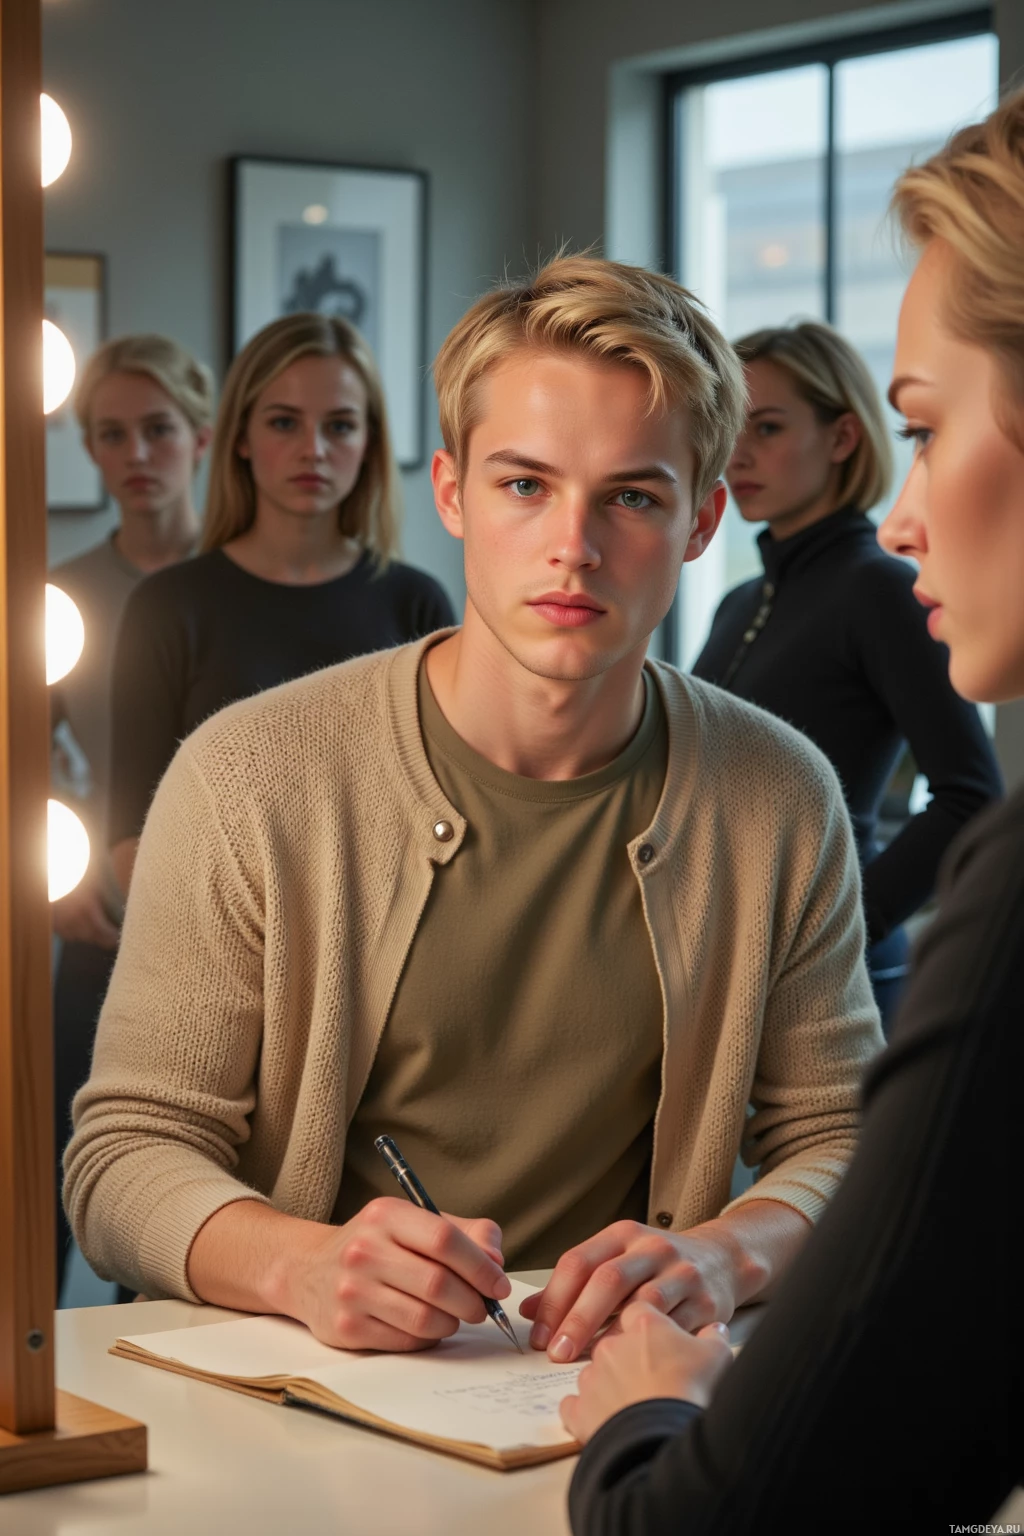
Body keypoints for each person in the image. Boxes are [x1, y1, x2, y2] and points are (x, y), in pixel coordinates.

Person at [65, 256, 882, 1355]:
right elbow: (122, 1155)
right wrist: (298, 1260)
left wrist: (725, 1252)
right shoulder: (246, 775)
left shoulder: (779, 796)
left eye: (632, 496)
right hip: (306, 1392)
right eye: (525, 484)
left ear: (701, 521)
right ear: (450, 493)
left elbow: (839, 1135)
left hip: (611, 1402)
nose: (573, 546)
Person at [563, 90, 1024, 1534]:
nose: (906, 510)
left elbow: (720, 1519)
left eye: (927, 427)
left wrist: (650, 1403)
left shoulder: (878, 602)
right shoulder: (755, 598)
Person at [692, 321, 1001, 1030]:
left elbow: (972, 795)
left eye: (766, 428)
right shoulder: (740, 600)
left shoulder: (880, 589)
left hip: (841, 978)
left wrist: (831, 933)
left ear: (842, 438)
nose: (738, 454)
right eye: (730, 429)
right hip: (730, 969)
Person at [106, 312, 455, 894]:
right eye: (284, 422)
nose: (312, 450)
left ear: (369, 443)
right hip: (215, 943)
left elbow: (446, 815)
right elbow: (130, 840)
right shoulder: (166, 607)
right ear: (240, 437)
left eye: (340, 426)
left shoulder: (415, 604)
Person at [49, 334, 214, 1299]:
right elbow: (21, 753)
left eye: (157, 429)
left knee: (180, 1196)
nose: (136, 454)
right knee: (74, 1162)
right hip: (105, 917)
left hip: (227, 915)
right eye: (112, 435)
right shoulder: (59, 592)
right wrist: (60, 876)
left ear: (200, 436)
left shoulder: (240, 582)